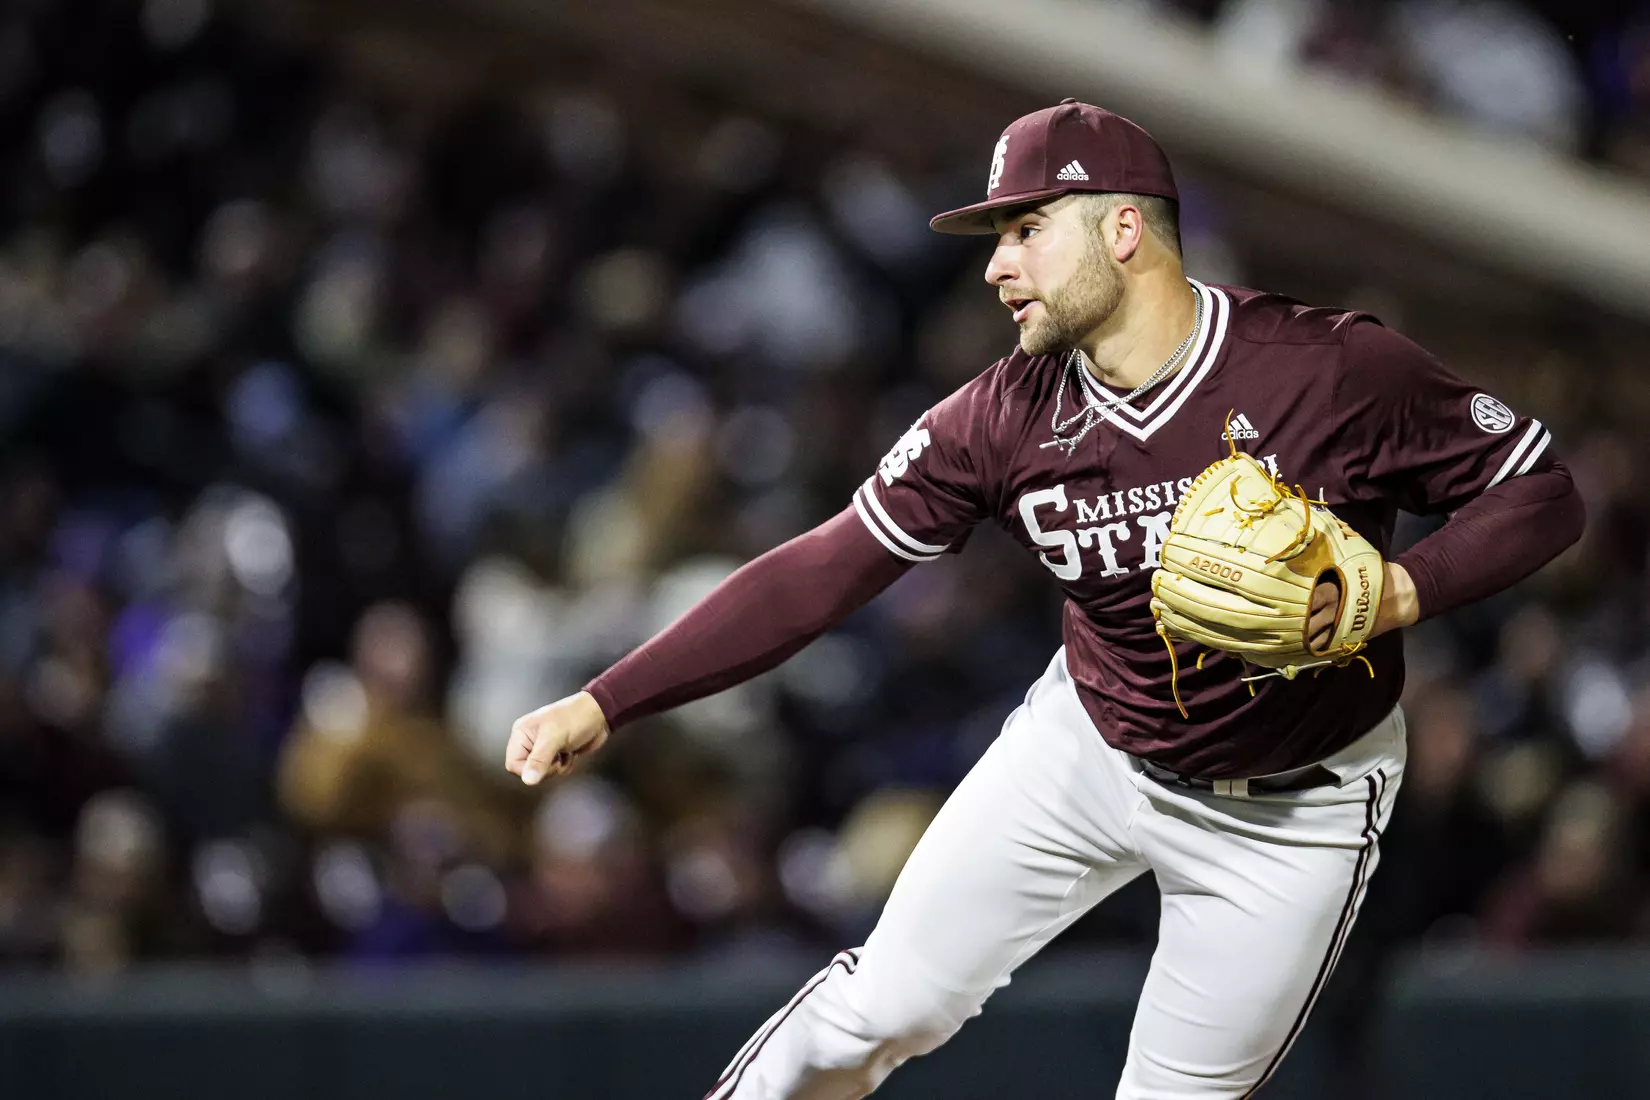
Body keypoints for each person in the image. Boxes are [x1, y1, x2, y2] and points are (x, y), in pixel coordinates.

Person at [504, 100, 1586, 1098]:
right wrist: (606, 699)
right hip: (1089, 745)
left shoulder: (1329, 369)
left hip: (1293, 810)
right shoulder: (1003, 414)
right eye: (998, 237)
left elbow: (1540, 491)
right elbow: (827, 566)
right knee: (879, 1006)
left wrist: (1404, 586)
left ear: (1124, 229)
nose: (998, 266)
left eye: (1027, 229)